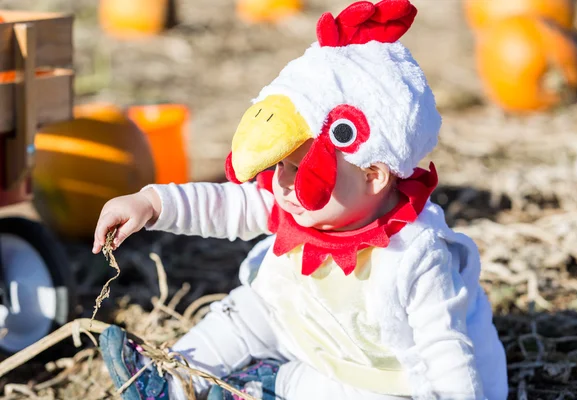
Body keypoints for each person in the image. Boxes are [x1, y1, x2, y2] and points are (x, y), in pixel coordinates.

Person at [93, 0, 509, 399]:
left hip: (384, 376)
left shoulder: (416, 256)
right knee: (244, 314)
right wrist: (152, 203)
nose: (283, 184)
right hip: (308, 328)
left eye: (297, 168)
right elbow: (224, 205)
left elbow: (445, 354)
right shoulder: (296, 201)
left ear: (372, 175)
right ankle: (175, 377)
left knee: (341, 394)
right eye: (279, 167)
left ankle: (270, 386)